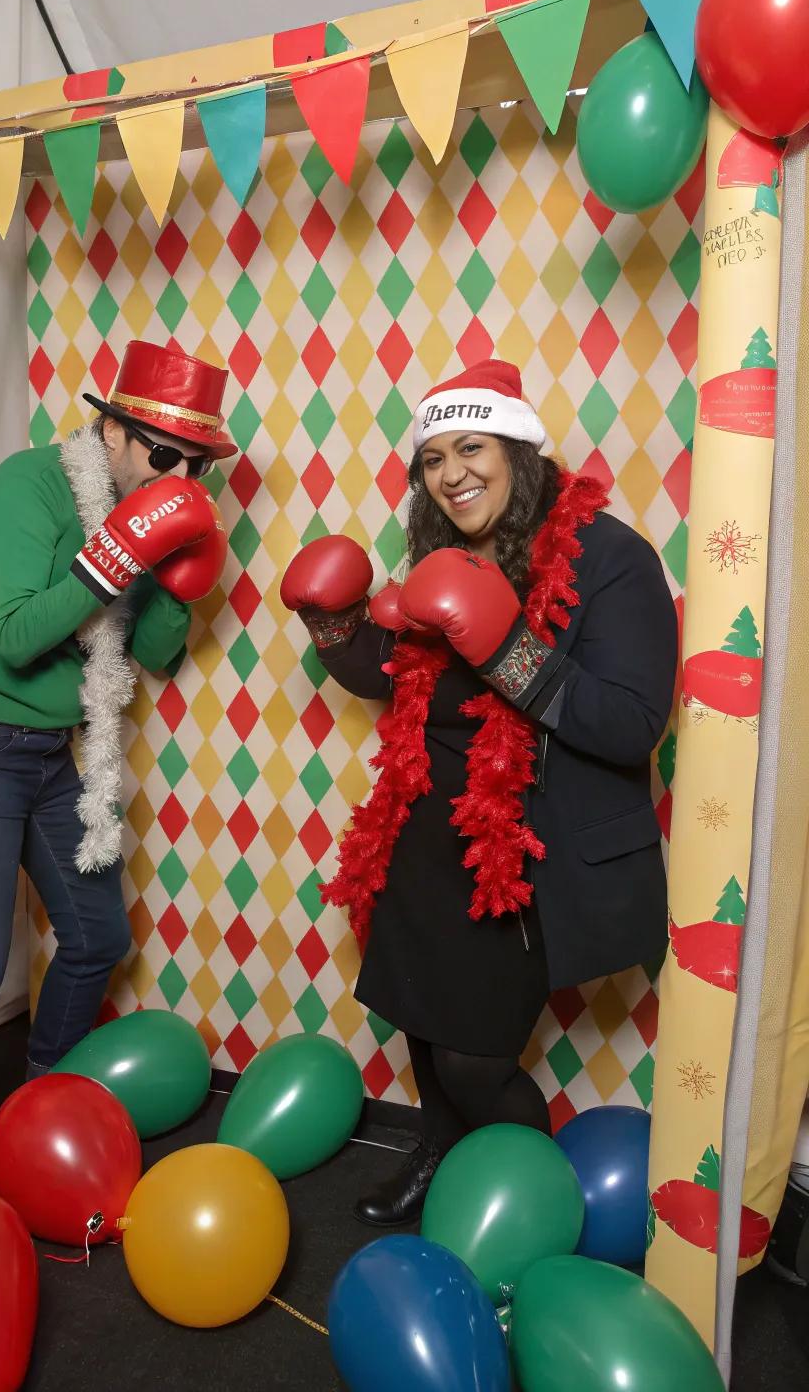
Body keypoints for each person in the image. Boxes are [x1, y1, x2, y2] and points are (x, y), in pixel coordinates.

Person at [282, 358, 677, 1226]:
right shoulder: (446, 558)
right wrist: (333, 622)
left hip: (524, 856)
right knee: (423, 1027)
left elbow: (629, 722)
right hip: (429, 838)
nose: (453, 472)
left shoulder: (613, 559)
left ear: (518, 451)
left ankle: (525, 1211)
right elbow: (399, 679)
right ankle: (439, 1156)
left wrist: (507, 647)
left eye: (473, 448)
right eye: (434, 459)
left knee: (474, 1061)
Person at [0, 341, 236, 1200]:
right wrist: (121, 548)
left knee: (98, 936)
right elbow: (14, 636)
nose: (178, 474)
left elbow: (152, 658)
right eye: (162, 453)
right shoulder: (22, 487)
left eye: (196, 464)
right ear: (110, 431)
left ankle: (40, 1110)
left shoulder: (151, 514)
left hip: (46, 753)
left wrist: (175, 580)